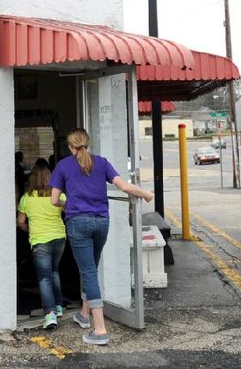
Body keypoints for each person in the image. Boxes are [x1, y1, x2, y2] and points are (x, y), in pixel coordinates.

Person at [49, 128, 154, 346]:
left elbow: (53, 200)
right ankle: (84, 315)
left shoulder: (63, 166)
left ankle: (100, 329)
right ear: (88, 144)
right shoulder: (102, 162)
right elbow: (124, 186)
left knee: (88, 272)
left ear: (70, 147)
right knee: (91, 269)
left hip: (78, 223)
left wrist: (66, 204)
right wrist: (145, 194)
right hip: (101, 222)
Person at [17, 161, 66, 329]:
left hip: (39, 240)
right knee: (54, 272)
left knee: (44, 278)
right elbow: (70, 210)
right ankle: (59, 306)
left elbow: (21, 222)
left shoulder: (26, 198)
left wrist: (29, 228)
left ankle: (50, 313)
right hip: (59, 237)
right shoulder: (58, 195)